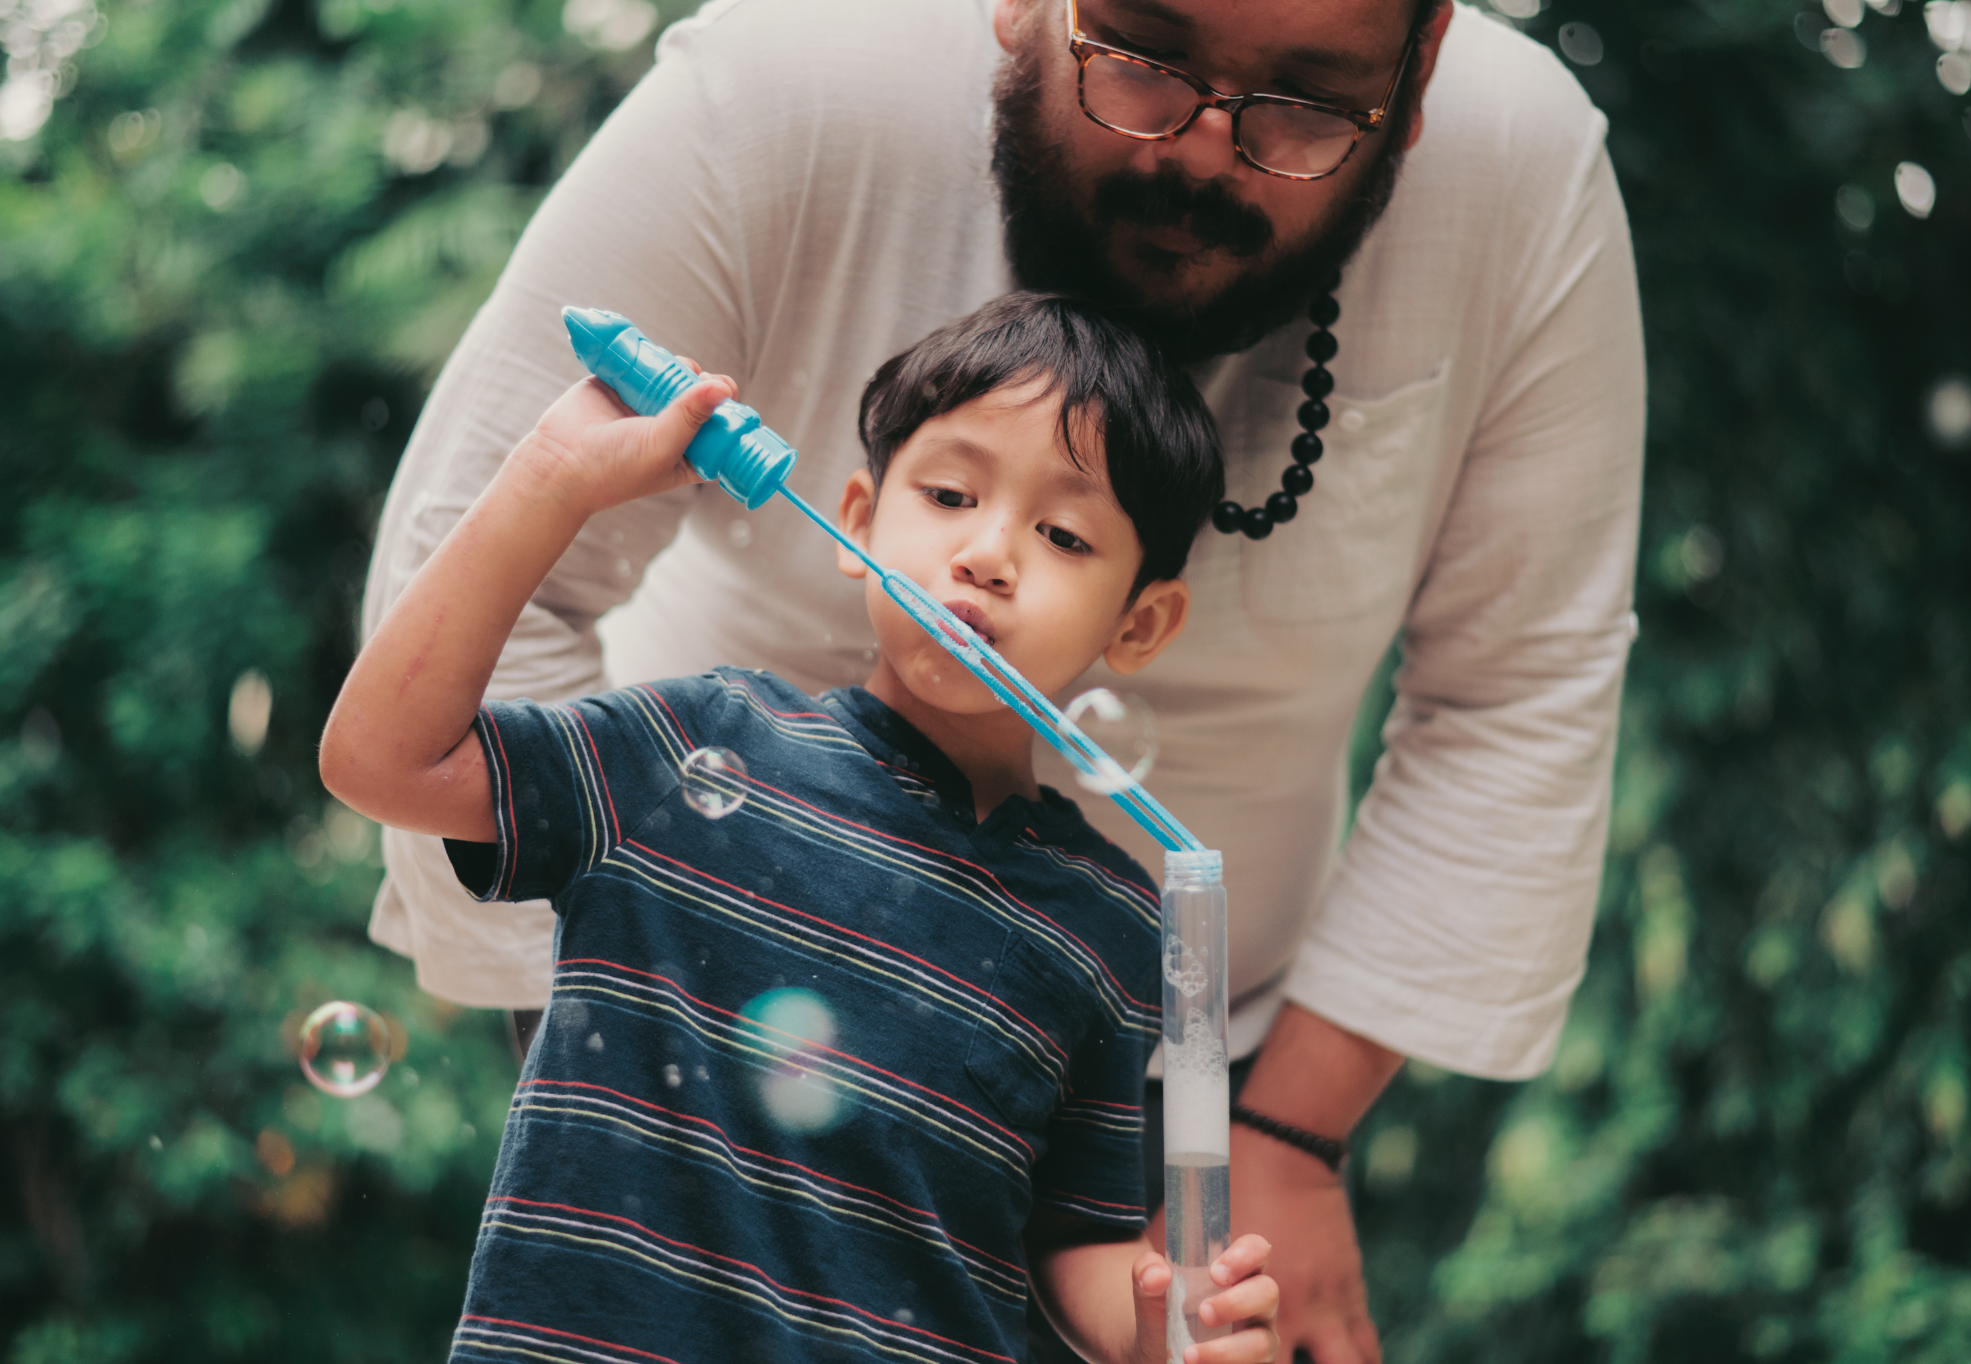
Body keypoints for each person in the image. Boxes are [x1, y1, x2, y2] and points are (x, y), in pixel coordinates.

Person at [358, 0, 1645, 1357]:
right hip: (682, 1001)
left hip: (1191, 1082)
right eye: (1144, 60)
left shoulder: (1107, 924)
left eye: (1303, 108)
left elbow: (1520, 694)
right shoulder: (787, 83)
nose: (1203, 154)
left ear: (1425, 55)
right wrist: (628, 1044)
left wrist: (1279, 1139)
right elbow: (434, 670)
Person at [323, 294, 1283, 1363]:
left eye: (1063, 533)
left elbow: (1074, 1240)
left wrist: (1167, 1333)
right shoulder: (685, 745)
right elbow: (381, 759)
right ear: (859, 522)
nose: (986, 552)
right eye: (950, 493)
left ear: (1139, 622)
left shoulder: (1109, 919)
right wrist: (552, 480)